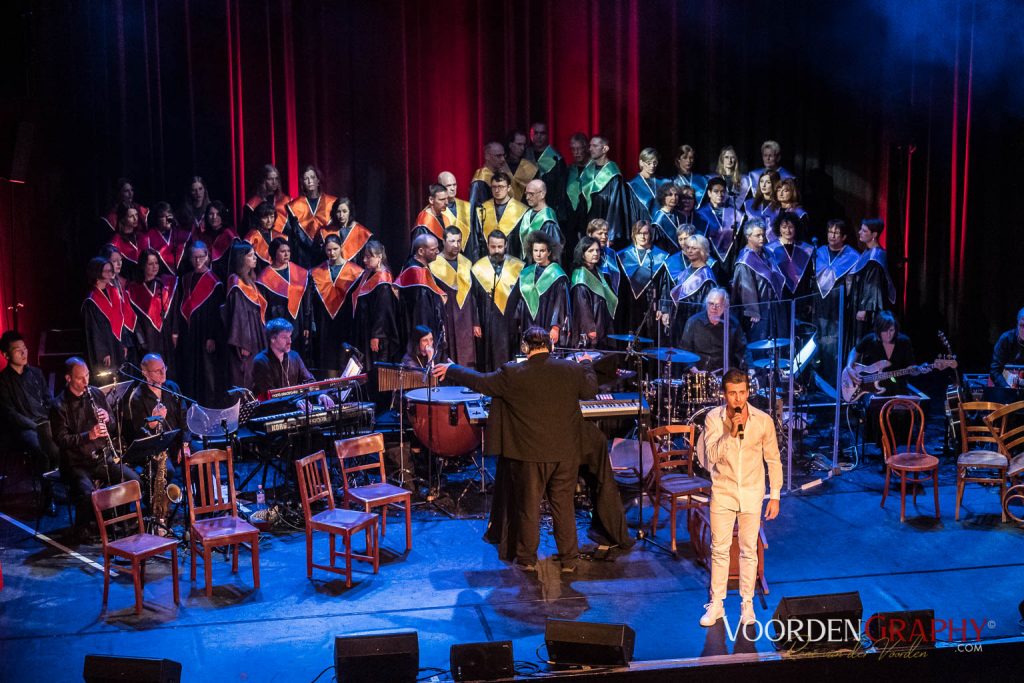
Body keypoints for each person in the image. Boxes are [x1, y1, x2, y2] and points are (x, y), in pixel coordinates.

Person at [431, 326, 599, 572]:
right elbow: (590, 390)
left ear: (524, 348)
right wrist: (586, 364)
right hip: (565, 453)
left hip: (528, 455)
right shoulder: (570, 369)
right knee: (563, 506)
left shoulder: (512, 373)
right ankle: (569, 560)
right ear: (550, 347)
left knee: (528, 508)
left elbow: (481, 382)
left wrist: (453, 369)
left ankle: (527, 560)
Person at [699, 368, 782, 627]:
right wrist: (730, 433)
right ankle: (717, 604)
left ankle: (747, 604)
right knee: (720, 550)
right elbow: (710, 457)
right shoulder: (714, 418)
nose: (738, 399)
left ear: (748, 392)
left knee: (749, 550)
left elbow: (773, 459)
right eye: (732, 393)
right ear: (724, 394)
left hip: (752, 492)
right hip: (723, 491)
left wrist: (775, 495)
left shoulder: (762, 420)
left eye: (742, 392)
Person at [49, 357, 140, 538]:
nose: (86, 381)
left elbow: (113, 427)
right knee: (87, 493)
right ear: (68, 379)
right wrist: (88, 435)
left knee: (131, 480)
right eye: (80, 378)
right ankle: (84, 529)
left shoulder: (96, 394)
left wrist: (108, 418)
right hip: (76, 463)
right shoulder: (58, 405)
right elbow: (61, 440)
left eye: (87, 376)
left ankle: (117, 521)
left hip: (101, 458)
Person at [122, 353, 186, 524]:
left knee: (200, 455)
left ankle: (203, 510)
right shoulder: (137, 397)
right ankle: (159, 510)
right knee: (167, 470)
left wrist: (185, 443)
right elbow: (137, 434)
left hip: (175, 441)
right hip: (154, 447)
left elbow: (184, 417)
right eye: (157, 371)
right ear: (145, 373)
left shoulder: (172, 388)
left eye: (163, 368)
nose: (162, 373)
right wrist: (151, 424)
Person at [0, 331, 60, 510]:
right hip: (22, 429)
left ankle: (67, 488)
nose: (23, 353)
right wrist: (34, 426)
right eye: (18, 350)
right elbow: (10, 414)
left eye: (25, 349)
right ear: (6, 354)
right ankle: (48, 496)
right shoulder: (3, 381)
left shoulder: (35, 373)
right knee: (42, 450)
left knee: (64, 441)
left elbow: (48, 399)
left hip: (43, 422)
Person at [175, 242, 224, 407]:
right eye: (194, 257)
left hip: (205, 331)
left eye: (201, 257)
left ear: (207, 257)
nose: (197, 260)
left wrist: (212, 336)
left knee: (206, 370)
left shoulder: (214, 282)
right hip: (189, 331)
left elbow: (216, 314)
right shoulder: (186, 279)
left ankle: (208, 405)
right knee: (190, 368)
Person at [251, 319, 336, 411]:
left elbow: (309, 381)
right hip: (270, 413)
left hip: (293, 409)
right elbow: (269, 396)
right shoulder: (261, 361)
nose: (289, 341)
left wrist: (320, 395)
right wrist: (295, 403)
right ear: (273, 339)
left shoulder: (294, 356)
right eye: (284, 337)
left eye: (290, 336)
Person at [578, 135, 645, 249]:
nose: (590, 149)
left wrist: (609, 234)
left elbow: (616, 208)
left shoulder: (613, 175)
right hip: (588, 228)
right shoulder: (587, 172)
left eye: (594, 146)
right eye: (590, 146)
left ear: (605, 149)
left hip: (605, 232)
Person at [310, 234, 363, 377]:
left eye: (335, 249)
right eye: (328, 250)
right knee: (328, 357)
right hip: (325, 324)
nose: (332, 253)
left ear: (341, 248)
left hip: (346, 321)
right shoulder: (316, 272)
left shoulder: (356, 272)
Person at [472, 231, 525, 371]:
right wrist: (476, 322)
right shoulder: (478, 268)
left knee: (510, 353)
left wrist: (520, 319)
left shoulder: (517, 267)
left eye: (500, 247)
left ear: (506, 245)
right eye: (493, 247)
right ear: (488, 246)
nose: (496, 250)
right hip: (487, 321)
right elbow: (474, 297)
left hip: (510, 319)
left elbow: (522, 296)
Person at [814, 220, 859, 382]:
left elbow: (851, 287)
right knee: (817, 344)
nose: (832, 236)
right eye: (830, 232)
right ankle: (817, 380)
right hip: (819, 307)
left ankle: (833, 381)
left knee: (833, 346)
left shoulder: (852, 256)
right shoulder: (818, 252)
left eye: (836, 233)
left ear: (844, 236)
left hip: (837, 309)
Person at [430, 227, 481, 368]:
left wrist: (475, 322)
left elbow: (473, 295)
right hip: (447, 316)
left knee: (467, 358)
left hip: (466, 318)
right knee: (448, 355)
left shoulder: (466, 263)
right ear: (443, 241)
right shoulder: (434, 264)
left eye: (459, 241)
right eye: (452, 241)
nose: (456, 245)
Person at [223, 242, 268, 390]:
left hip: (256, 333)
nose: (255, 258)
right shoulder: (236, 282)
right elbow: (238, 314)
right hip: (245, 338)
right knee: (245, 374)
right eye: (250, 255)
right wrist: (243, 343)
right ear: (241, 259)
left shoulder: (250, 280)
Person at [731, 219, 786, 342]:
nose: (762, 238)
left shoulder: (766, 253)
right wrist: (752, 311)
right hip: (759, 311)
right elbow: (746, 288)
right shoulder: (745, 259)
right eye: (757, 236)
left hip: (771, 305)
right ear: (748, 237)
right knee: (760, 343)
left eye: (763, 234)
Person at [617, 220, 670, 340]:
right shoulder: (623, 255)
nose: (642, 236)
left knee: (649, 339)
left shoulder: (659, 257)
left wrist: (663, 308)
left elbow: (664, 285)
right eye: (639, 233)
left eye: (646, 233)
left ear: (650, 235)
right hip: (628, 306)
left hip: (650, 305)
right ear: (633, 234)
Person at [256, 238, 311, 355]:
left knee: (297, 354)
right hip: (278, 320)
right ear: (274, 253)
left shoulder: (299, 272)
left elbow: (306, 301)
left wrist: (307, 324)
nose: (286, 254)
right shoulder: (265, 277)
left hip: (297, 321)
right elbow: (263, 307)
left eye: (288, 251)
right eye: (282, 251)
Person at [396, 233, 448, 358]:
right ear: (421, 251)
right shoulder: (415, 273)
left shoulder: (419, 267)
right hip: (423, 336)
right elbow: (421, 311)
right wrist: (427, 338)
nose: (437, 251)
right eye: (433, 249)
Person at [514, 231, 569, 347]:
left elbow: (560, 304)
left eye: (542, 251)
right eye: (535, 251)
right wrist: (518, 320)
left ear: (549, 252)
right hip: (528, 323)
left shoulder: (557, 274)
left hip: (547, 323)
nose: (538, 254)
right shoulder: (526, 273)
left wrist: (555, 327)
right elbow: (521, 299)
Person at [352, 241, 399, 373]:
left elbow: (383, 312)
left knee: (374, 368)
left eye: (368, 257)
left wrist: (376, 336)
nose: (364, 260)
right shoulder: (369, 274)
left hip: (376, 334)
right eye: (364, 256)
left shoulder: (383, 280)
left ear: (379, 257)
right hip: (366, 329)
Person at [126, 249, 177, 367]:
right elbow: (133, 318)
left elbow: (174, 311)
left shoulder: (164, 284)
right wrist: (141, 340)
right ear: (143, 265)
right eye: (150, 264)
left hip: (166, 335)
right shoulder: (133, 289)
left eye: (156, 263)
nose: (155, 267)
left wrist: (175, 332)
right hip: (147, 337)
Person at [678, 288, 749, 373]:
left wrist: (751, 369)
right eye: (711, 304)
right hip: (699, 375)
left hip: (725, 375)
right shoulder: (693, 322)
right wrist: (695, 371)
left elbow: (743, 350)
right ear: (706, 304)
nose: (714, 308)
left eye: (718, 305)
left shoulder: (733, 324)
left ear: (725, 306)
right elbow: (685, 351)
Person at [846, 311, 915, 396]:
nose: (889, 335)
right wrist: (849, 367)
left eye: (891, 330)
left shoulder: (904, 341)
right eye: (885, 331)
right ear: (878, 330)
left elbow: (911, 367)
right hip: (871, 390)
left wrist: (916, 370)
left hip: (898, 388)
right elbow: (855, 351)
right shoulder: (870, 339)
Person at [766, 212, 815, 326]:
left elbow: (808, 277)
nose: (787, 231)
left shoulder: (805, 249)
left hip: (800, 298)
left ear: (796, 228)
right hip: (780, 298)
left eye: (791, 227)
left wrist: (808, 300)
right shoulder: (770, 250)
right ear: (779, 228)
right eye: (784, 227)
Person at [82, 256, 129, 377]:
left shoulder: (113, 292)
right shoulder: (91, 301)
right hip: (105, 350)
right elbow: (94, 331)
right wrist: (103, 352)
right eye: (106, 271)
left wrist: (123, 343)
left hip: (117, 344)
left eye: (111, 271)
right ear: (97, 273)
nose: (110, 274)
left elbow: (120, 319)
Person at [851, 218, 896, 339]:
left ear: (874, 235)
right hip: (861, 303)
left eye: (864, 231)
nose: (860, 232)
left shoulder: (876, 256)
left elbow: (873, 286)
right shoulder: (867, 252)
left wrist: (864, 309)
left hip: (870, 310)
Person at [570, 236, 618, 349]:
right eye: (590, 251)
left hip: (602, 323)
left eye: (597, 250)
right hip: (589, 330)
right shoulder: (580, 275)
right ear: (582, 254)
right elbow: (582, 307)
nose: (595, 253)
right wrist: (590, 329)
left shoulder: (597, 271)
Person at [286, 164, 338, 269]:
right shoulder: (294, 206)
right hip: (303, 255)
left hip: (326, 252)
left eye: (313, 177)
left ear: (318, 180)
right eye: (306, 178)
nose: (310, 181)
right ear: (302, 183)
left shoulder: (332, 203)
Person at [511, 179, 563, 260]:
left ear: (542, 194)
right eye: (526, 194)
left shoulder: (548, 221)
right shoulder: (527, 214)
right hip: (524, 267)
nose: (527, 197)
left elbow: (554, 254)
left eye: (531, 194)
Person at [475, 172, 527, 252]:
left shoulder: (521, 210)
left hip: (512, 259)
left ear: (509, 188)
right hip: (487, 259)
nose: (497, 190)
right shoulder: (482, 209)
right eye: (494, 187)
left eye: (501, 187)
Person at [695, 176, 741, 265]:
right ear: (709, 193)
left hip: (731, 259)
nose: (720, 194)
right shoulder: (700, 214)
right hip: (710, 258)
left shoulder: (735, 214)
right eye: (716, 191)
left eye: (723, 191)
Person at [524, 122, 566, 217]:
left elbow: (560, 189)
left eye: (542, 133)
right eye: (536, 133)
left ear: (547, 135)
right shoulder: (524, 155)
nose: (539, 136)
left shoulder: (556, 158)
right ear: (530, 134)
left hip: (548, 207)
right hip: (526, 208)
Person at [317, 197, 373, 264]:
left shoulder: (362, 233)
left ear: (350, 212)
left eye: (344, 211)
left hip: (354, 272)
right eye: (338, 212)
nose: (341, 215)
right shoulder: (325, 232)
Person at [139, 201, 191, 275]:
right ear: (156, 219)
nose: (168, 219)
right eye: (163, 216)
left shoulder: (182, 235)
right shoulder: (148, 238)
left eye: (169, 215)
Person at [670, 235, 718, 313]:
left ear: (702, 250)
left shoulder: (706, 277)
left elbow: (706, 308)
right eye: (688, 247)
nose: (689, 251)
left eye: (694, 248)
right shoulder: (685, 272)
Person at [191, 200, 237, 280]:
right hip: (206, 277)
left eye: (218, 214)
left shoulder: (230, 235)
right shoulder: (203, 236)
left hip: (225, 277)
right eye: (211, 214)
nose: (214, 217)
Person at [241, 164, 291, 234]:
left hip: (282, 240)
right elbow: (247, 230)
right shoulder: (253, 204)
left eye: (276, 178)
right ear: (263, 180)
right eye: (270, 179)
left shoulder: (286, 200)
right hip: (260, 242)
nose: (274, 182)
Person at [469, 141, 512, 220]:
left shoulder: (499, 174)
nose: (503, 159)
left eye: (503, 155)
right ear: (487, 156)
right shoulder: (480, 181)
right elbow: (477, 210)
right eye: (498, 156)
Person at [438, 172, 474, 257]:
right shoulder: (436, 210)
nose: (453, 188)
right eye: (448, 186)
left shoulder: (467, 207)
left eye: (454, 185)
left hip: (467, 257)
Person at [243, 201, 286, 270]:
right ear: (258, 218)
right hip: (260, 274)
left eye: (272, 217)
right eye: (265, 217)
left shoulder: (279, 236)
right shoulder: (251, 237)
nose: (269, 221)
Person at [990, 307, 1024, 389]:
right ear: (1017, 324)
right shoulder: (1006, 339)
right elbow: (995, 370)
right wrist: (1006, 388)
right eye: (1023, 325)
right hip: (1007, 387)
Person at [585, 218, 622, 293]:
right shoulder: (585, 252)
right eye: (600, 233)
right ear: (590, 234)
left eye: (606, 234)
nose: (604, 237)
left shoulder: (611, 253)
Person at [109, 203, 143, 281]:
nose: (135, 219)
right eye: (131, 216)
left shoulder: (142, 237)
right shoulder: (116, 241)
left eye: (136, 215)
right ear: (123, 219)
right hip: (126, 282)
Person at [627, 147, 661, 219]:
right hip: (643, 223)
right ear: (641, 163)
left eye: (655, 162)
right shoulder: (632, 185)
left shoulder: (662, 182)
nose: (652, 166)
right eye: (648, 163)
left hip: (660, 223)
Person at [505, 130, 539, 202]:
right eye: (519, 144)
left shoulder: (530, 167)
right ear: (510, 145)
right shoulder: (500, 166)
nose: (522, 148)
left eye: (524, 145)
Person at [651, 183, 683, 253]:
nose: (674, 198)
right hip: (666, 255)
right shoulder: (659, 219)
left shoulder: (678, 215)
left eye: (676, 195)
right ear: (663, 197)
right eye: (670, 195)